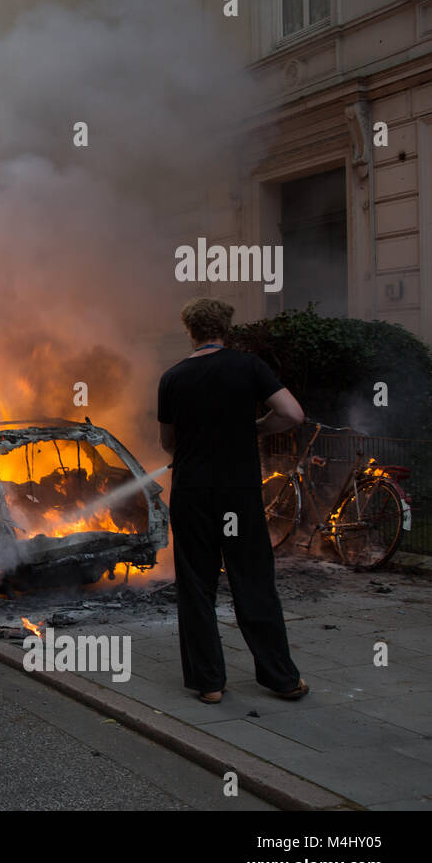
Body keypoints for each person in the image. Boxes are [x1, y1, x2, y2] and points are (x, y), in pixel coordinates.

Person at [158, 298, 309, 705]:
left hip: (190, 494)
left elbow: (168, 443)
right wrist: (254, 428)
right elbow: (293, 415)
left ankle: (209, 684)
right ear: (226, 328)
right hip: (237, 495)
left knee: (195, 585)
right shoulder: (249, 367)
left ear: (190, 330)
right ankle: (282, 680)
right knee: (252, 580)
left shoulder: (172, 378)